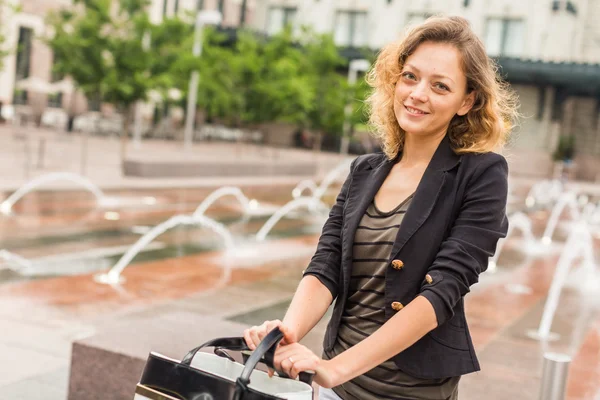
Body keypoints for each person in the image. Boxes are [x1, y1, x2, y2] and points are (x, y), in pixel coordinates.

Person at [244, 15, 518, 400]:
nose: (418, 94)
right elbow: (325, 266)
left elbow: (442, 292)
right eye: (410, 76)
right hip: (336, 385)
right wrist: (287, 332)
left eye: (440, 86)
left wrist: (333, 370)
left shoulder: (482, 174)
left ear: (466, 101)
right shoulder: (364, 171)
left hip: (410, 391)